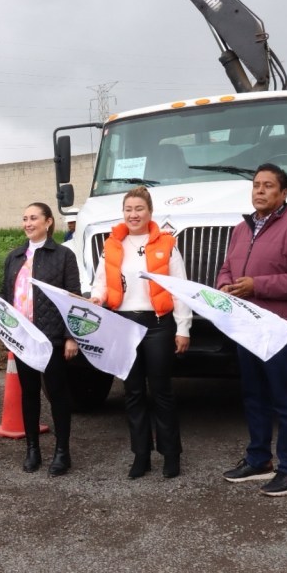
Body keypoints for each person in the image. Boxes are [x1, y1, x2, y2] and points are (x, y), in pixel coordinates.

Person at [217, 163, 287, 497]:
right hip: (247, 328)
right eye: (256, 185)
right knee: (254, 398)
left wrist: (255, 286)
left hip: (280, 329)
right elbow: (227, 267)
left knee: (285, 402)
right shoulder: (240, 229)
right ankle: (259, 460)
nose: (260, 191)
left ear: (283, 193)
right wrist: (223, 286)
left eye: (268, 186)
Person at [90, 187, 192, 480]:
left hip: (158, 324)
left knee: (161, 391)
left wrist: (183, 328)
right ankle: (141, 455)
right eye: (128, 209)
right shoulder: (112, 245)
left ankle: (171, 455)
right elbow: (101, 281)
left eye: (139, 209)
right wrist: (97, 297)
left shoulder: (167, 244)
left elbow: (180, 289)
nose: (133, 215)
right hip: (123, 324)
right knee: (132, 392)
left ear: (150, 212)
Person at [1, 202, 81, 477]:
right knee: (29, 394)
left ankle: (62, 451)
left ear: (48, 222)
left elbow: (73, 298)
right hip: (24, 339)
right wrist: (7, 333)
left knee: (58, 394)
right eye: (24, 218)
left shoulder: (63, 256)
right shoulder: (14, 257)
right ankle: (32, 449)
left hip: (52, 338)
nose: (28, 223)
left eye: (34, 218)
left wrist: (71, 337)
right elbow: (5, 300)